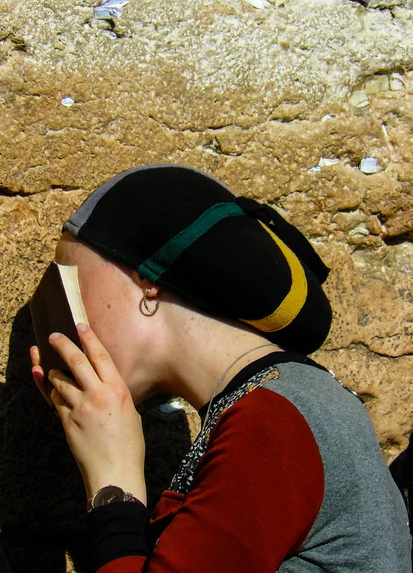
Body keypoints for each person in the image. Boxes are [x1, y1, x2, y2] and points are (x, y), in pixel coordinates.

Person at [29, 164, 411, 572]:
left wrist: (112, 482)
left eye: (66, 282)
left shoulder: (273, 421)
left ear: (146, 278)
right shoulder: (282, 401)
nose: (61, 318)